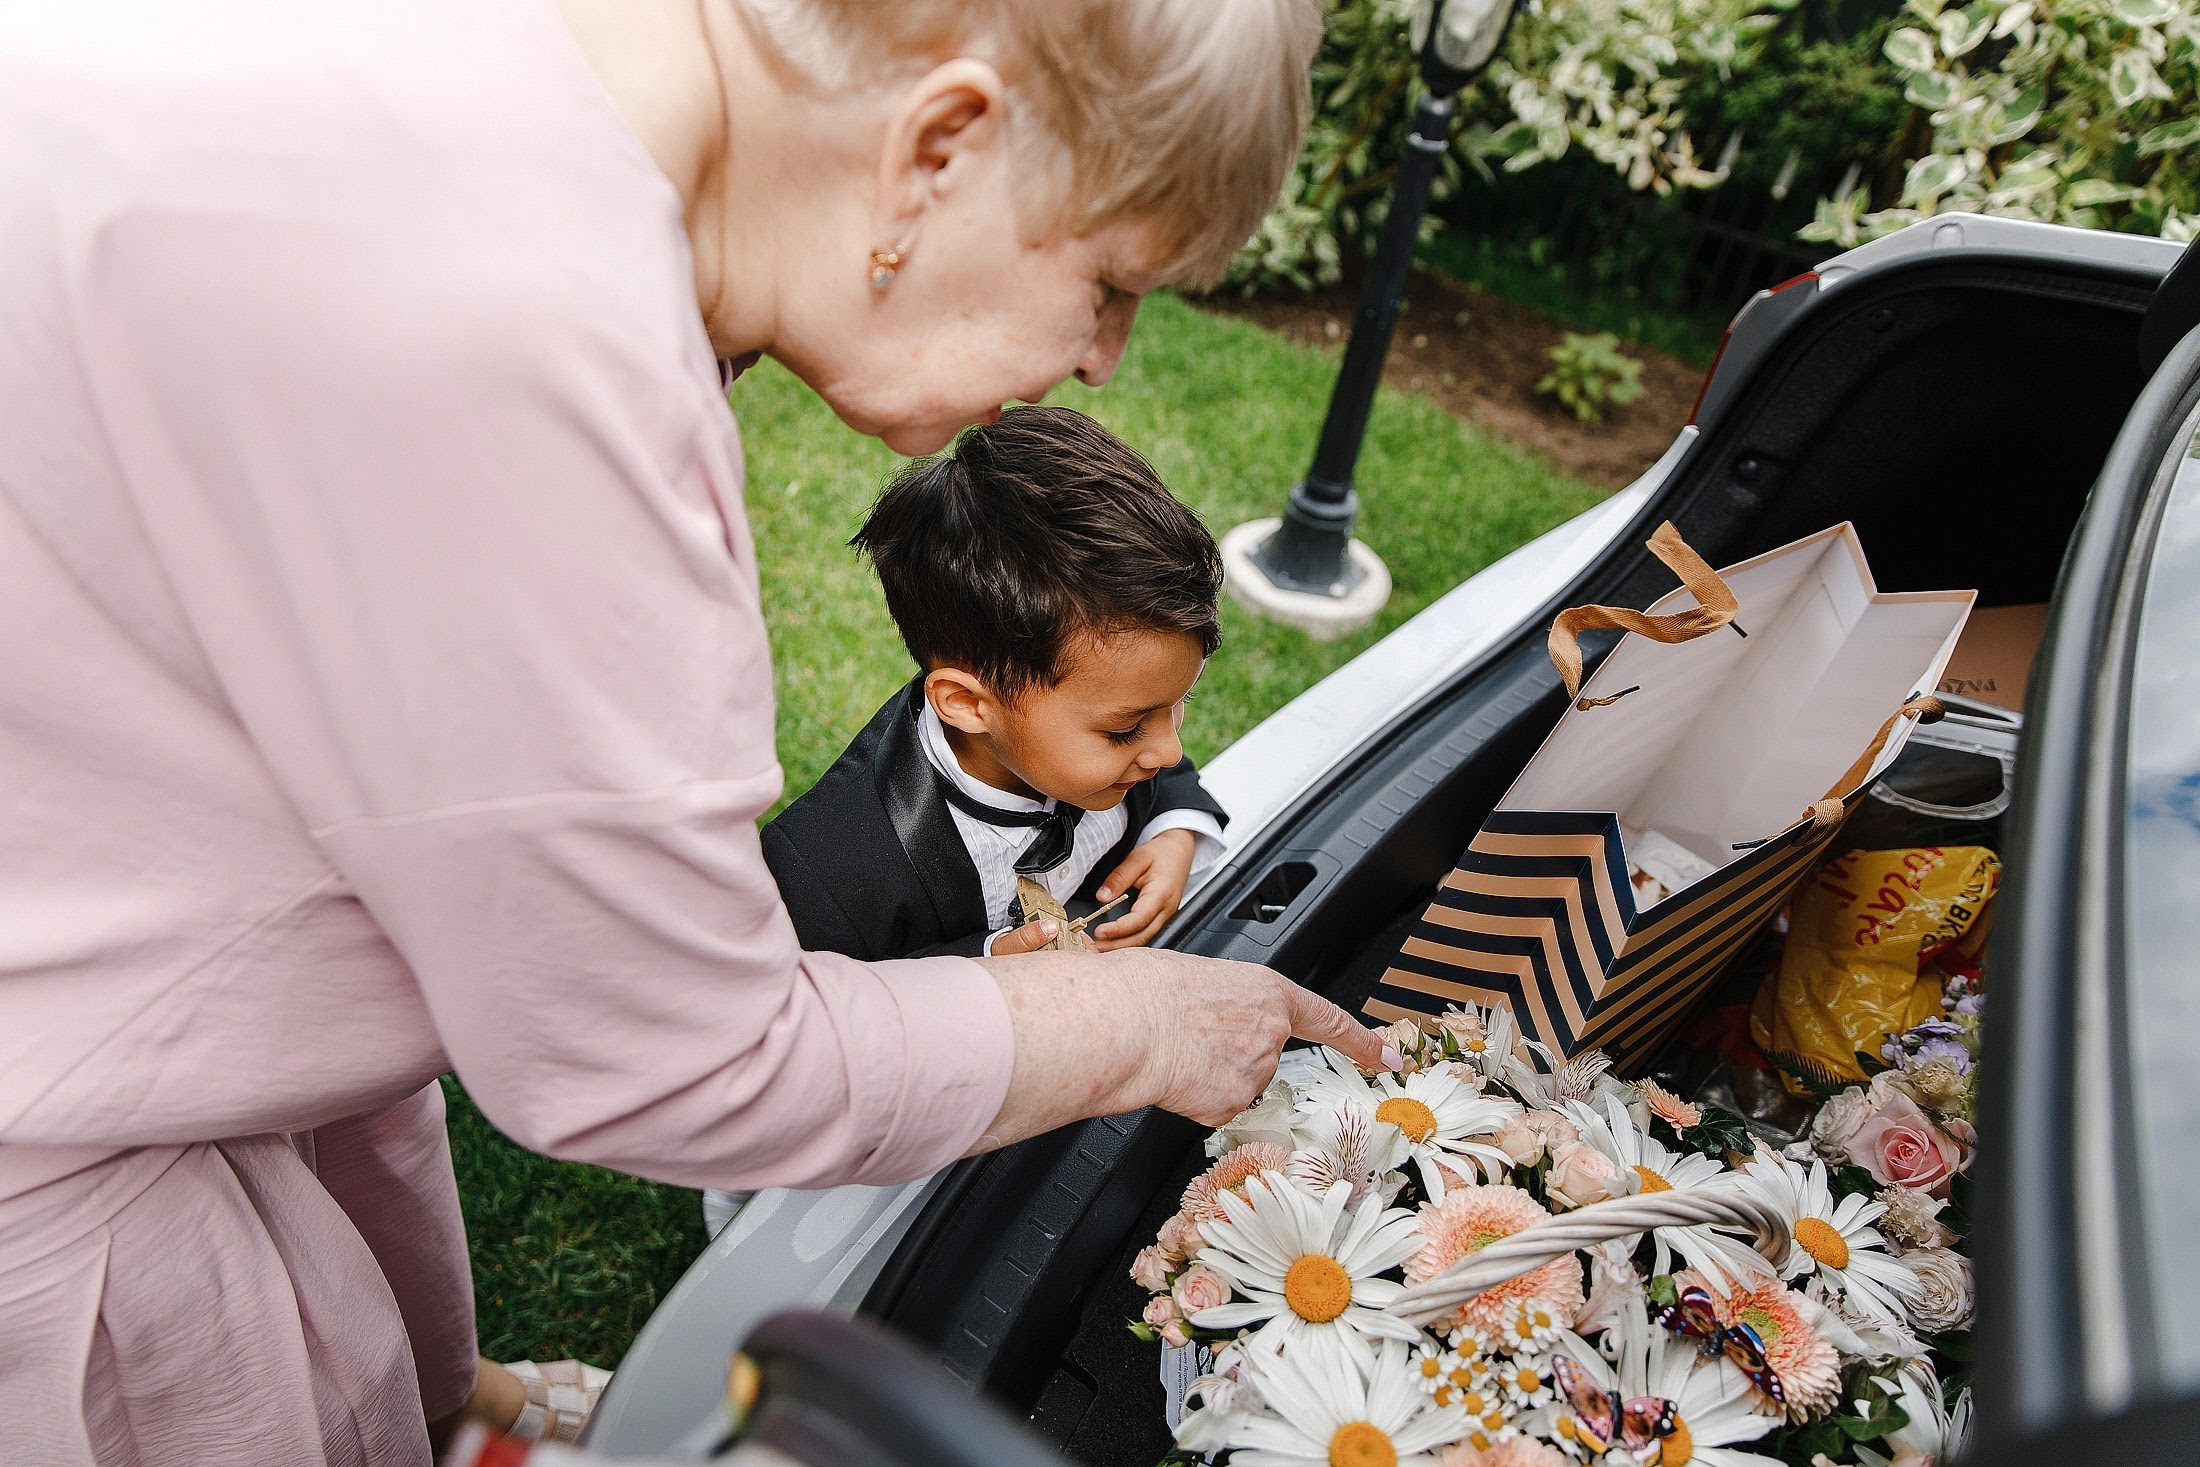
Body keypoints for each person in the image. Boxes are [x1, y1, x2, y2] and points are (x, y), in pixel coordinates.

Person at [0, 1, 1400, 1463]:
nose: (1105, 357)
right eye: (1112, 280)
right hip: (71, 1184)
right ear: (941, 146)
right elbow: (678, 1051)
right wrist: (1146, 1017)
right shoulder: (518, 331)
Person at [765, 406, 1229, 963]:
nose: (1169, 749)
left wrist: (1176, 833)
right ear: (966, 704)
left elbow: (1162, 762)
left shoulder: (1112, 719)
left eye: (1179, 705)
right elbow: (827, 1001)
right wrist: (979, 964)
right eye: (1127, 729)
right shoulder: (832, 873)